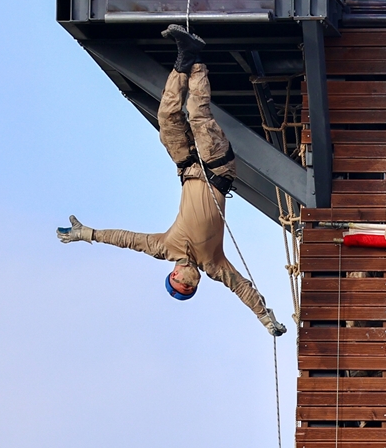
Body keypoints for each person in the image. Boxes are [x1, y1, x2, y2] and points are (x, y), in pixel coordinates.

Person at [55, 25, 286, 337]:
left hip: (187, 165)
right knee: (198, 116)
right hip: (217, 169)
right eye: (188, 286)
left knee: (167, 118)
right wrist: (266, 318)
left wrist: (89, 233)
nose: (185, 280)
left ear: (173, 272)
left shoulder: (164, 247)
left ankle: (184, 58)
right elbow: (243, 289)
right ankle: (197, 61)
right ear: (197, 282)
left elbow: (124, 239)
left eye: (178, 281)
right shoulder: (214, 265)